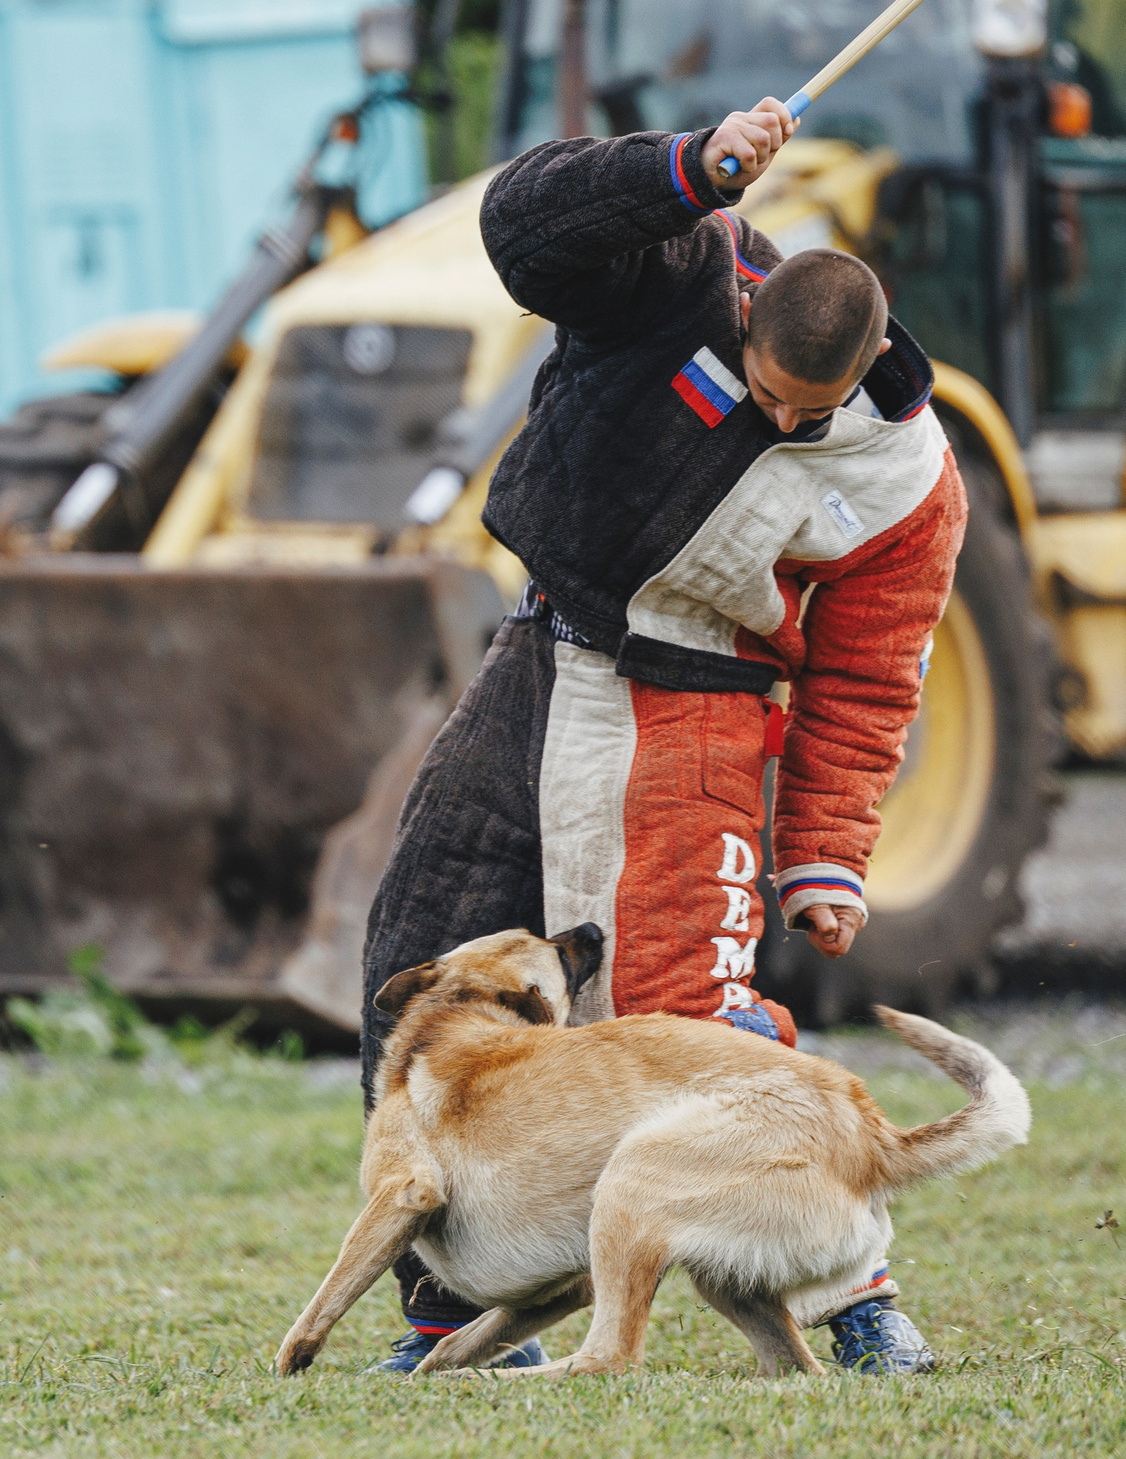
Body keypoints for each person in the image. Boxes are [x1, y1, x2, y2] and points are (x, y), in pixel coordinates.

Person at [357, 99, 968, 1376]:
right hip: (539, 653)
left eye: (813, 413)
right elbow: (522, 228)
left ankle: (864, 1305)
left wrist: (824, 857)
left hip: (690, 710)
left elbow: (866, 683)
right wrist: (683, 168)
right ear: (746, 315)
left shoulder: (906, 483)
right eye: (766, 395)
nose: (785, 426)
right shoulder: (684, 265)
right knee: (420, 978)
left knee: (684, 1021)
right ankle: (447, 1312)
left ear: (863, 375)